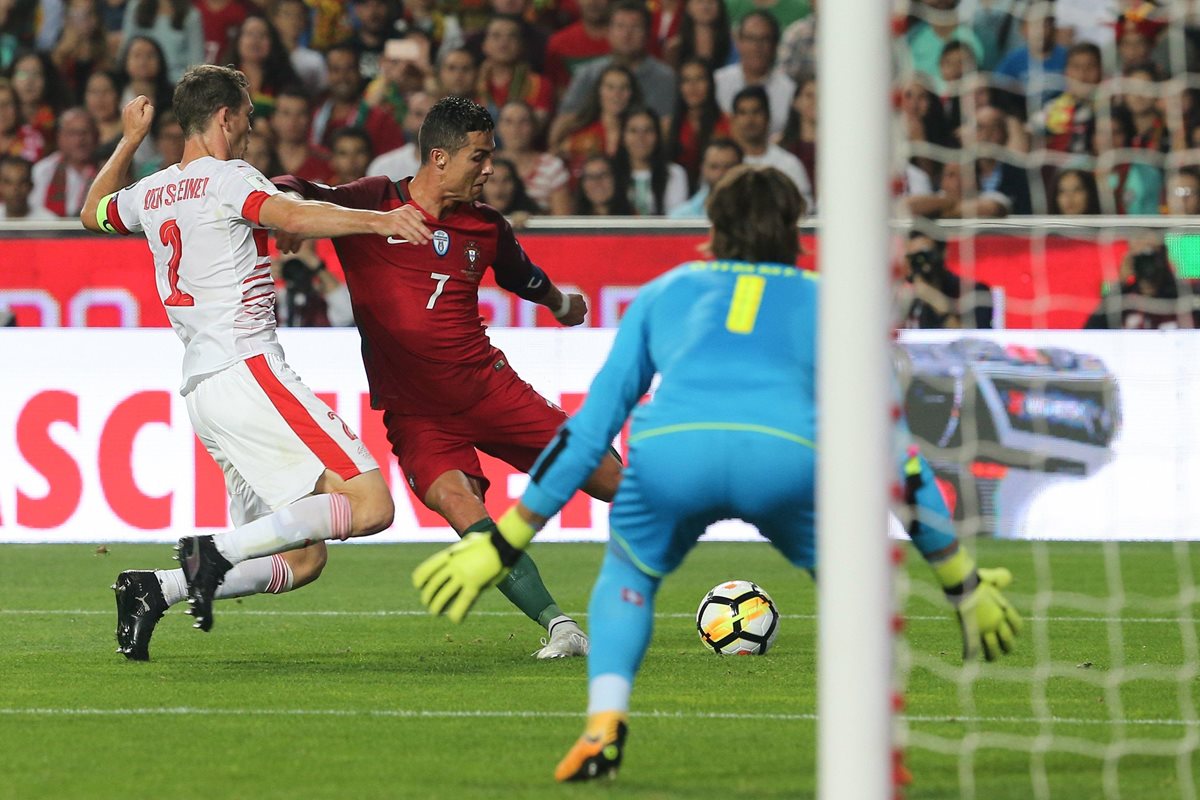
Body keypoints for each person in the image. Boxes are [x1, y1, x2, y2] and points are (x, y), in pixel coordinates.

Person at [411, 165, 1022, 782]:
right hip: (783, 457)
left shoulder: (665, 292)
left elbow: (589, 432)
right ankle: (875, 748)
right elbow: (896, 454)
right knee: (856, 590)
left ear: (714, 228)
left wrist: (505, 542)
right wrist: (958, 578)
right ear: (794, 230)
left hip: (676, 453)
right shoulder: (834, 303)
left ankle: (603, 729)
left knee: (628, 573)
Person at [79, 64, 432, 660]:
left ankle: (154, 590)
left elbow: (91, 213)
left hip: (204, 394)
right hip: (250, 370)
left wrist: (129, 140)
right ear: (224, 117)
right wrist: (381, 220)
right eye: (247, 115)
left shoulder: (151, 191)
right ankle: (211, 552)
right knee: (372, 505)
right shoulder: (228, 177)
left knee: (301, 558)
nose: (251, 127)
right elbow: (290, 216)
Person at [273, 95, 624, 658]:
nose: (490, 170)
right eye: (480, 157)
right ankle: (561, 627)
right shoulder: (373, 203)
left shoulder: (485, 227)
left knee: (612, 481)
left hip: (488, 390)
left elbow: (523, 277)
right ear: (439, 157)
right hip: (417, 416)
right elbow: (293, 184)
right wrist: (289, 201)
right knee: (465, 510)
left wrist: (560, 304)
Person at [1084, 236, 1200, 329]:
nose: (1147, 266)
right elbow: (1091, 333)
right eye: (1140, 257)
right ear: (1131, 260)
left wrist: (1174, 278)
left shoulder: (1185, 299)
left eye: (1152, 256)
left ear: (1163, 257)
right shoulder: (1122, 302)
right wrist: (1120, 283)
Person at [728, 85, 812, 210]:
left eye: (756, 112)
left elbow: (806, 206)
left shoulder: (788, 163)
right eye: (743, 113)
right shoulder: (724, 163)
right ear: (733, 119)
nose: (750, 120)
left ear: (767, 116)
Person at [713, 10, 795, 136]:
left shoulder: (789, 91)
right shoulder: (717, 83)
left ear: (775, 45)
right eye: (750, 38)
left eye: (764, 39)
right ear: (738, 42)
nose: (757, 47)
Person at [900, 230, 994, 328]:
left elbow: (975, 339)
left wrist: (933, 298)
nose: (920, 263)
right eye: (912, 258)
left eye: (925, 256)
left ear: (943, 253)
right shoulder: (908, 297)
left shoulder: (973, 291)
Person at [31, 107, 98, 217]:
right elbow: (34, 212)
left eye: (85, 133)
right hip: (48, 231)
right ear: (60, 137)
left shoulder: (106, 167)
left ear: (95, 136)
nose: (80, 140)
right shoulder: (43, 170)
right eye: (73, 133)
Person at [668, 137, 741, 218]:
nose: (721, 173)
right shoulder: (680, 217)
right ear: (702, 168)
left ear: (741, 168)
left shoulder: (753, 214)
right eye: (714, 167)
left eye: (728, 167)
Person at [0, 153, 54, 219]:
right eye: (8, 182)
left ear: (31, 186)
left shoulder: (49, 222)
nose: (15, 189)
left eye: (22, 182)